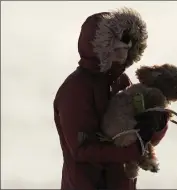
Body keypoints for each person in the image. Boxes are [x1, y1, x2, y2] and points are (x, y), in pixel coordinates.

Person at [53, 8, 169, 190]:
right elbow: (82, 150)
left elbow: (143, 136)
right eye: (116, 46)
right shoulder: (75, 89)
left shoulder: (123, 82)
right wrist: (133, 150)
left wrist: (157, 125)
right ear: (99, 47)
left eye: (127, 45)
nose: (123, 51)